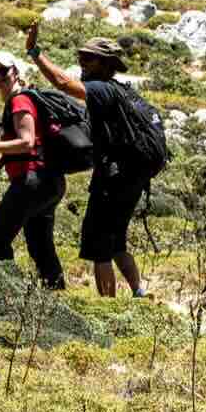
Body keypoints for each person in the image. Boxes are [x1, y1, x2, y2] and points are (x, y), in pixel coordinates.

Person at [25, 27, 149, 298]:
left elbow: (62, 82)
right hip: (132, 177)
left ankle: (109, 310)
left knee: (99, 248)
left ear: (105, 64)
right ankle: (140, 294)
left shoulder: (100, 88)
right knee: (116, 243)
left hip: (113, 179)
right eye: (81, 57)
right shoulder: (121, 91)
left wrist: (35, 52)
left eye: (88, 59)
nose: (82, 63)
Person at [0, 55, 66, 289]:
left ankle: (8, 298)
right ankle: (55, 298)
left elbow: (26, 142)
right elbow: (32, 145)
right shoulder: (24, 97)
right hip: (49, 182)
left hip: (31, 182)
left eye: (2, 71)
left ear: (15, 71)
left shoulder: (19, 101)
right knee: (40, 245)